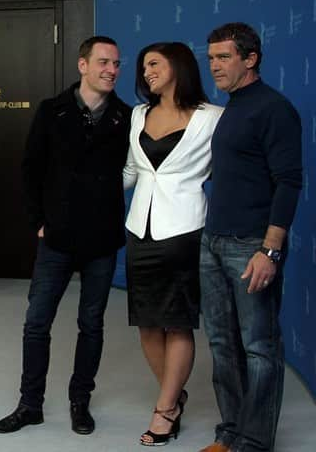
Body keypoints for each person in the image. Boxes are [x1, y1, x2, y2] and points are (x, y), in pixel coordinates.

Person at [0, 36, 131, 435]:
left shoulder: (126, 115)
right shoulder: (51, 111)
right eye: (103, 61)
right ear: (82, 65)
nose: (112, 69)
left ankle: (79, 402)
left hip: (102, 239)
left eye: (117, 63)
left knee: (92, 324)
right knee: (37, 323)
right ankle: (29, 404)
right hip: (55, 237)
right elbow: (30, 169)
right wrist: (39, 219)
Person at [199, 23, 303, 452]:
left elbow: (289, 181)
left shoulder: (274, 109)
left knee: (259, 347)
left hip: (251, 246)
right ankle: (231, 433)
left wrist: (269, 249)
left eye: (223, 57)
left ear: (250, 58)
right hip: (214, 241)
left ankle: (255, 443)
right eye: (211, 59)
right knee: (223, 344)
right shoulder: (232, 107)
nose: (215, 66)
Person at [122, 42, 224, 447]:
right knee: (146, 321)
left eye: (154, 64)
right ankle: (173, 395)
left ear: (178, 66)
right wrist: (85, 196)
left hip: (184, 230)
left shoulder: (212, 118)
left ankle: (164, 410)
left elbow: (226, 172)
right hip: (139, 229)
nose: (146, 72)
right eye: (143, 65)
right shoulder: (138, 114)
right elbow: (131, 169)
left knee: (178, 320)